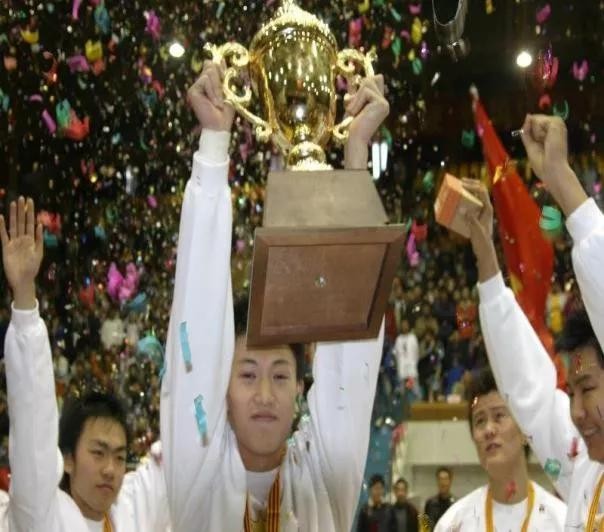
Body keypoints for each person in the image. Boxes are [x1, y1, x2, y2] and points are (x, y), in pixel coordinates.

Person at [159, 57, 389, 531]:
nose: (264, 395)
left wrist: (356, 155)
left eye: (281, 376)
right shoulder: (196, 474)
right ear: (219, 387)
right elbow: (196, 308)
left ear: (301, 388)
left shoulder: (326, 477)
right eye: (247, 374)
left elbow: (352, 361)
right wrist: (213, 145)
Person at [465, 113, 604, 531]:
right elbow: (534, 394)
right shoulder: (585, 472)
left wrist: (561, 179)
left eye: (588, 389)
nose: (576, 412)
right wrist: (485, 254)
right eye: (573, 393)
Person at [0, 197, 171, 531]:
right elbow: (33, 427)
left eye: (119, 457)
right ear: (67, 460)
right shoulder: (44, 517)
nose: (110, 469)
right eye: (98, 452)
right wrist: (24, 295)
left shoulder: (132, 514)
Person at [435, 368, 566, 530]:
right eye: (480, 421)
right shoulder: (453, 524)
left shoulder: (562, 521)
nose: (488, 430)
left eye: (499, 416)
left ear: (524, 430)